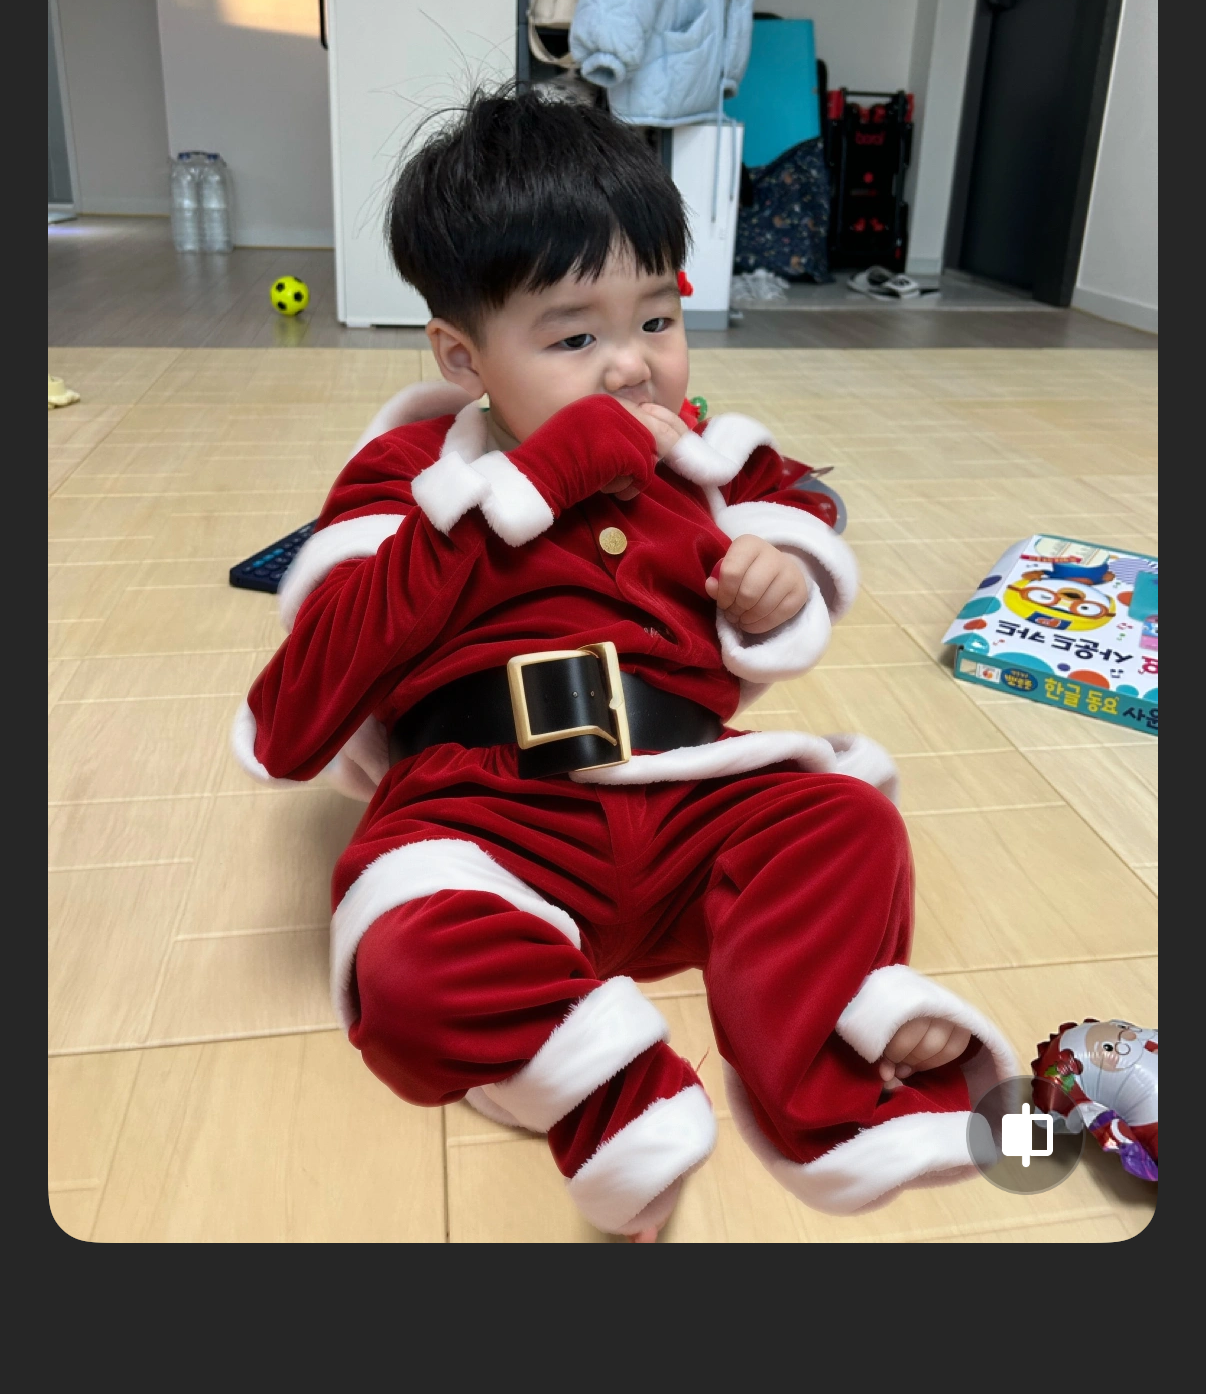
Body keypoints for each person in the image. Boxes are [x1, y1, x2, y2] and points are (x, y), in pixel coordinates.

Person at [233, 89, 1012, 1238]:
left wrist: (781, 581)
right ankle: (610, 1093)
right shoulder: (411, 478)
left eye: (657, 317)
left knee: (843, 821)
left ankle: (846, 1085)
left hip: (690, 799)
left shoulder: (709, 464)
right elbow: (294, 717)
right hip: (491, 818)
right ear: (463, 357)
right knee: (399, 963)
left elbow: (803, 517)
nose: (633, 368)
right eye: (574, 339)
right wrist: (535, 481)